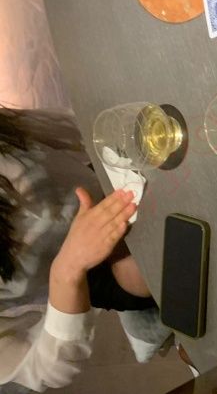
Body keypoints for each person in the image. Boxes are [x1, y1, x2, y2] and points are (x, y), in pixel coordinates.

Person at [0, 108, 156, 392]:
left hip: (110, 183)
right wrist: (68, 270)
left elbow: (73, 131)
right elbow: (45, 369)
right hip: (93, 267)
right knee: (148, 272)